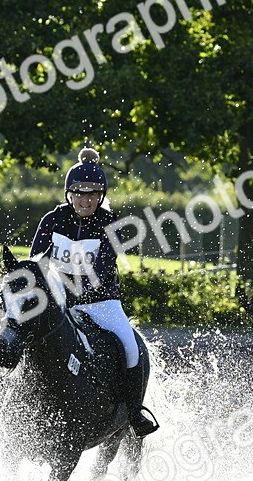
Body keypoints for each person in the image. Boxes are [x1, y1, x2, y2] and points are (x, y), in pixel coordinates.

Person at [29, 147, 158, 437]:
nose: (85, 200)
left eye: (92, 194)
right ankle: (9, 398)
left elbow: (99, 271)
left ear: (100, 196)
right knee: (24, 335)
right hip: (57, 304)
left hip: (101, 303)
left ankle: (135, 412)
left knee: (130, 346)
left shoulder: (110, 224)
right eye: (79, 193)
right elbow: (37, 260)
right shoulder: (52, 220)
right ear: (69, 193)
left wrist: (69, 293)